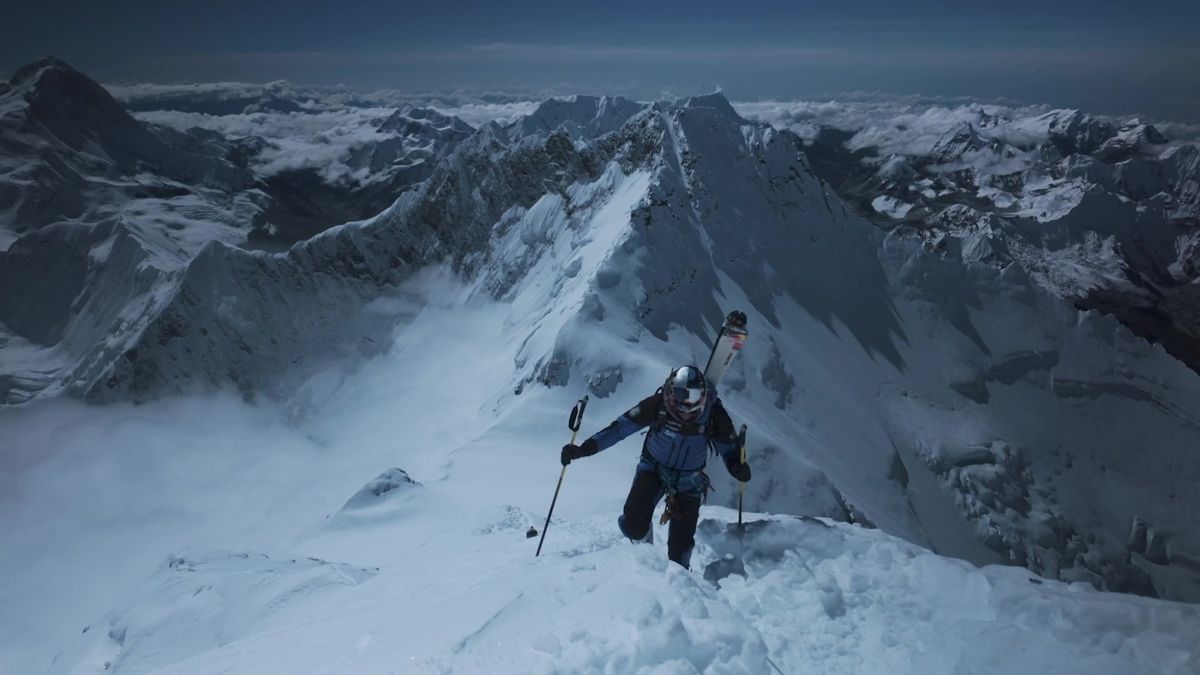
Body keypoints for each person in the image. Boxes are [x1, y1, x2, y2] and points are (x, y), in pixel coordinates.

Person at [561, 365, 752, 569]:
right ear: (671, 392)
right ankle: (646, 559)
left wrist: (735, 465)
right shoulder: (657, 405)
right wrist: (583, 449)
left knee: (680, 550)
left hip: (689, 479)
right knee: (633, 524)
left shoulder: (713, 413)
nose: (687, 403)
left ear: (703, 394)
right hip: (653, 469)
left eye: (693, 396)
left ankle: (678, 582)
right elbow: (619, 429)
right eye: (681, 395)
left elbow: (730, 446)